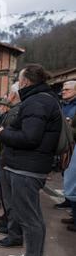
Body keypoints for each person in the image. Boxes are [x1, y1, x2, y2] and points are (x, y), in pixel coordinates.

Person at [0, 64, 61, 256]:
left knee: (29, 216)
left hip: (27, 168)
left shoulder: (38, 102)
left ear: (25, 82)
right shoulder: (42, 99)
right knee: (30, 214)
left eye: (19, 78)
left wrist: (4, 134)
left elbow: (30, 138)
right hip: (28, 166)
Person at [0, 83, 24, 248]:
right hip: (9, 158)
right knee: (9, 199)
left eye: (8, 94)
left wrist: (2, 133)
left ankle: (14, 234)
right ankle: (11, 227)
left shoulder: (15, 112)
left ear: (13, 95)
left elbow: (12, 134)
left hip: (11, 159)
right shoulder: (18, 110)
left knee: (12, 200)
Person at [54, 81, 76, 209]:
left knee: (72, 177)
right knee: (65, 173)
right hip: (65, 144)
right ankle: (69, 202)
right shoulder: (63, 105)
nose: (63, 91)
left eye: (67, 89)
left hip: (73, 144)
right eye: (63, 89)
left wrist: (69, 125)